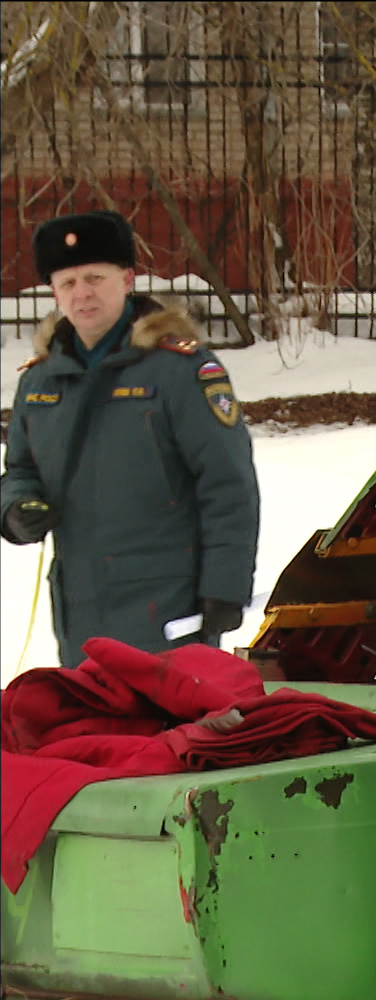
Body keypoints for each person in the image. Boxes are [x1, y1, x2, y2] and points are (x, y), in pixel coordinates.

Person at [1, 209, 260, 666]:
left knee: (172, 734)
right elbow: (19, 470)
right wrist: (17, 510)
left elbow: (227, 484)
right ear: (54, 293)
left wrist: (225, 588)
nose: (82, 294)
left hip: (169, 605)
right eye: (68, 283)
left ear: (126, 279)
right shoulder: (40, 381)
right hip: (79, 606)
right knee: (95, 732)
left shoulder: (181, 371)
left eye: (95, 278)